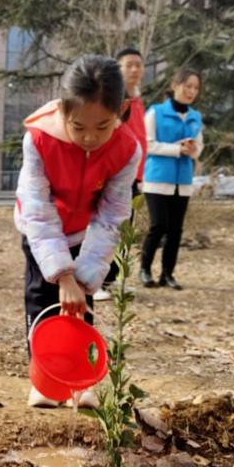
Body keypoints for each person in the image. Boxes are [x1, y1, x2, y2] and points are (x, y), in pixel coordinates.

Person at [15, 55, 140, 408]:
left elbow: (112, 215)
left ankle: (78, 379)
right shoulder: (39, 140)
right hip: (42, 228)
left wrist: (82, 278)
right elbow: (39, 212)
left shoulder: (126, 149)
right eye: (78, 126)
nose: (89, 138)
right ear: (62, 110)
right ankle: (46, 379)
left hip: (85, 230)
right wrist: (63, 275)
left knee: (79, 306)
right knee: (43, 297)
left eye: (102, 127)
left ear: (122, 110)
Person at [139, 68, 204, 290]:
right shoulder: (155, 113)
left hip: (183, 181)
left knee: (176, 229)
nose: (191, 91)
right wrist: (177, 149)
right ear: (175, 85)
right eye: (188, 86)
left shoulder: (196, 117)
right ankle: (145, 269)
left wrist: (193, 150)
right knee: (158, 226)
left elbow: (199, 148)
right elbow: (147, 144)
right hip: (157, 178)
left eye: (195, 88)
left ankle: (167, 274)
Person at [93, 46, 148, 302]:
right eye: (129, 65)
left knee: (125, 228)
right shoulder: (111, 99)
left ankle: (113, 279)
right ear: (117, 69)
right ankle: (97, 280)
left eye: (138, 65)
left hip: (134, 175)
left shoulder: (137, 100)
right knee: (106, 225)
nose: (135, 69)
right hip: (113, 174)